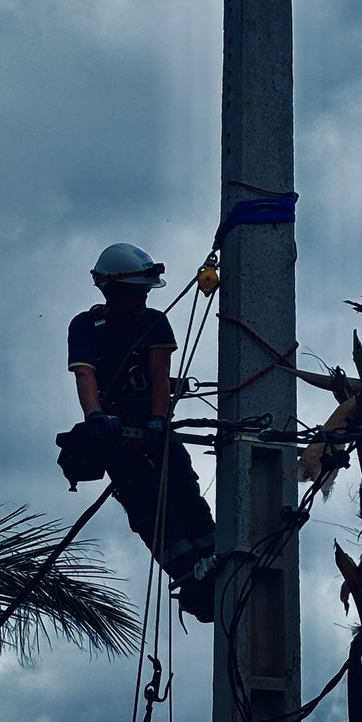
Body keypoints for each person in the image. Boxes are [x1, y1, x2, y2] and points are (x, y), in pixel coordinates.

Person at [67, 243, 216, 621]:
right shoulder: (85, 326)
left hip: (152, 422)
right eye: (138, 291)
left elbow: (159, 376)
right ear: (114, 290)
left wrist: (157, 419)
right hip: (114, 430)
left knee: (182, 483)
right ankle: (187, 572)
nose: (144, 296)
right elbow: (85, 374)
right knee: (145, 503)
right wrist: (96, 417)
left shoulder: (153, 323)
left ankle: (213, 555)